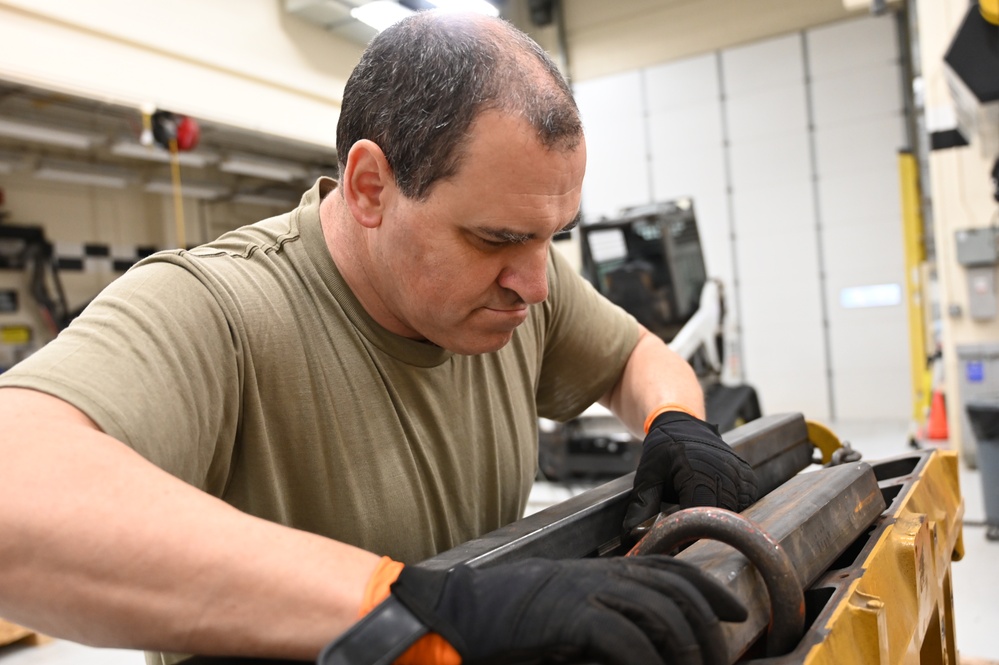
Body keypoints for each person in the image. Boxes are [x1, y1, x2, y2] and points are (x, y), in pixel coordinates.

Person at [0, 11, 757, 665]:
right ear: (370, 188)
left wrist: (675, 421)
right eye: (493, 237)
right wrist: (405, 611)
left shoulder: (524, 283)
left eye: (551, 237)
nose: (533, 279)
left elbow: (634, 357)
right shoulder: (223, 309)